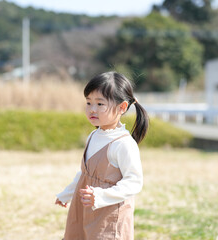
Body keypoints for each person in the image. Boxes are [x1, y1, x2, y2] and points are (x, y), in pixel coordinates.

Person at [55, 71, 149, 240]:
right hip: (83, 208)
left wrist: (100, 196)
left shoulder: (123, 143)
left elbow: (134, 182)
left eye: (100, 104)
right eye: (89, 102)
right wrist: (67, 193)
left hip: (109, 213)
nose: (92, 109)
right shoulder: (93, 135)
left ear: (122, 107)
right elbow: (85, 174)